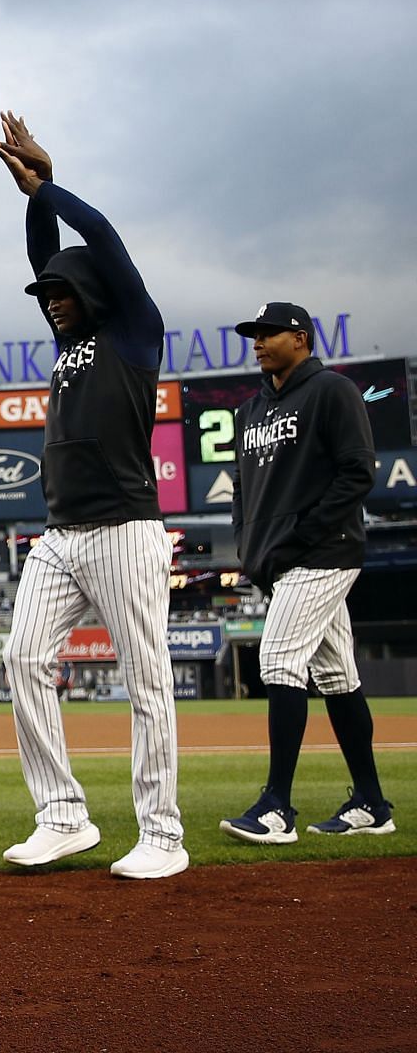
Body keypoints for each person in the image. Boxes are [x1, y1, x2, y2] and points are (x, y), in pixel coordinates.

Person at [0, 113, 186, 880]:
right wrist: (33, 203)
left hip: (125, 530)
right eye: (45, 294)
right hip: (61, 534)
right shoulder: (69, 344)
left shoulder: (135, 330)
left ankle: (163, 834)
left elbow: (99, 240)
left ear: (92, 293)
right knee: (22, 656)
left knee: (146, 681)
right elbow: (48, 252)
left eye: (63, 292)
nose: (50, 299)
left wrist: (52, 182)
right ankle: (63, 816)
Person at [221, 303, 394, 843]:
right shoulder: (249, 410)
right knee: (338, 676)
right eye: (253, 334)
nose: (257, 342)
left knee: (276, 660)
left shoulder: (333, 391)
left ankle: (277, 808)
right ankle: (370, 802)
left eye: (268, 333)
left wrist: (298, 537)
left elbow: (357, 474)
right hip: (277, 561)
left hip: (325, 553)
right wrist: (250, 548)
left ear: (300, 338)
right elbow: (244, 489)